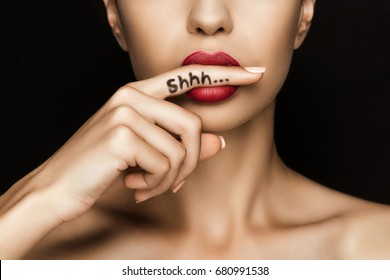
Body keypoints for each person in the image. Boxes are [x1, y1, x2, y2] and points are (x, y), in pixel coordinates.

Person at [0, 0, 389, 260]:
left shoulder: (378, 249)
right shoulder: (29, 241)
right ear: (115, 16)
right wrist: (38, 201)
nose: (208, 17)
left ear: (304, 12)